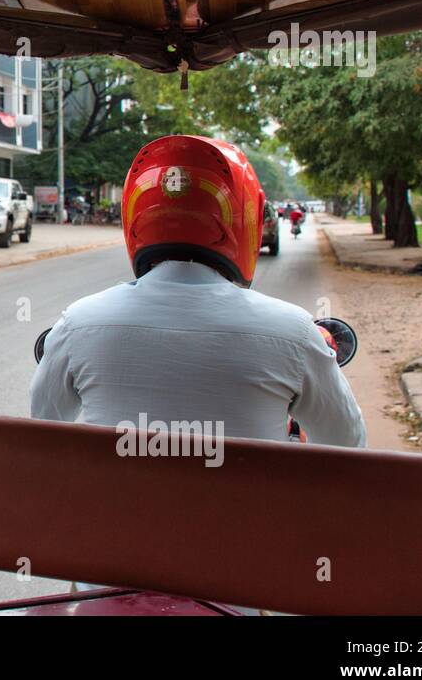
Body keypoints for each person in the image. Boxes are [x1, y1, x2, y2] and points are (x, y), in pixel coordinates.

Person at [30, 135, 365, 448]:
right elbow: (348, 444)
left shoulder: (77, 323)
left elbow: (43, 431)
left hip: (113, 511)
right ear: (247, 218)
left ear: (132, 215)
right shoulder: (294, 332)